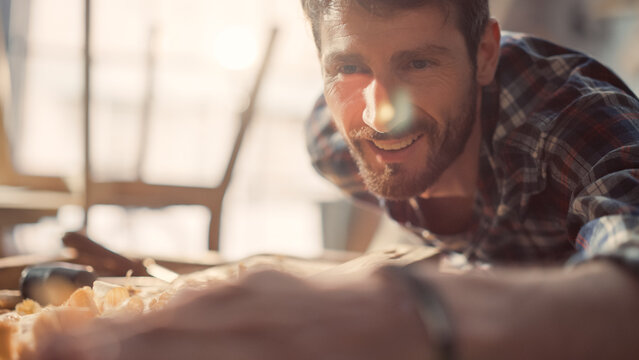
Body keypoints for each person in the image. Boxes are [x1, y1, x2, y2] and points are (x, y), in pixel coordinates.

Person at [36, 0, 639, 359]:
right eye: (349, 67)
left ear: (484, 54)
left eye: (419, 63)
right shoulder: (329, 142)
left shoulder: (572, 122)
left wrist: (413, 314)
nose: (381, 116)